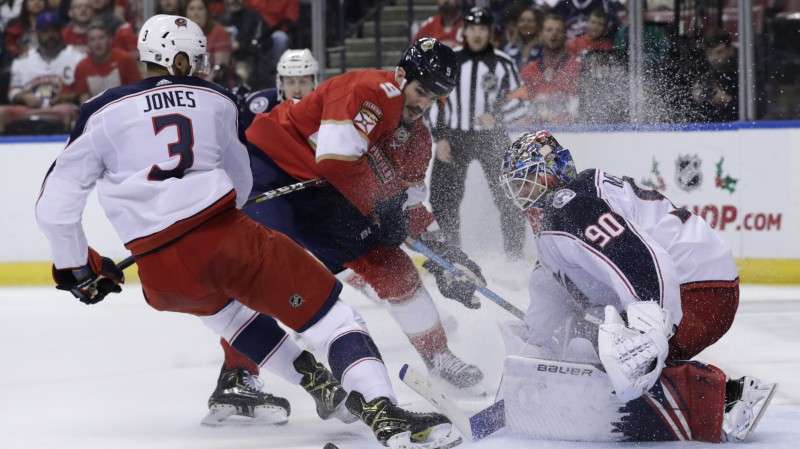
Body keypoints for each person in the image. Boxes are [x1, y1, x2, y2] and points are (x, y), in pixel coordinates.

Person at [34, 15, 461, 449]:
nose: (199, 67)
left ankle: (311, 379)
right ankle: (384, 412)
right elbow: (239, 183)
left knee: (235, 318)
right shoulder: (215, 98)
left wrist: (79, 269)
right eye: (195, 59)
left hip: (158, 275)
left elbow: (55, 208)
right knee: (333, 318)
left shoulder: (100, 109)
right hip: (222, 238)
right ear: (179, 59)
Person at [496, 130, 777, 443]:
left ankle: (724, 400)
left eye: (527, 179)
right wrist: (535, 348)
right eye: (516, 183)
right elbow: (551, 289)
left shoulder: (570, 205)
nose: (520, 191)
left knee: (626, 361)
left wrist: (648, 326)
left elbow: (640, 258)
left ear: (554, 172)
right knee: (583, 341)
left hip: (697, 289)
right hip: (692, 284)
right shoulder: (559, 218)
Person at [245, 37, 489, 394]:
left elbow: (410, 206)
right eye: (420, 90)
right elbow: (336, 161)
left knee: (395, 269)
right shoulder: (370, 90)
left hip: (328, 196)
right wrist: (386, 203)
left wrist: (448, 257)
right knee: (266, 267)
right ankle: (237, 373)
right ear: (401, 75)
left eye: (433, 98)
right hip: (273, 170)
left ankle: (439, 357)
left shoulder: (418, 140)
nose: (423, 104)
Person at [427, 7, 528, 261]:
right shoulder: (449, 60)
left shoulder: (503, 62)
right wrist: (439, 137)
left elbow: (521, 101)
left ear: (489, 32)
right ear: (465, 31)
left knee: (509, 196)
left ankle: (514, 256)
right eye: (473, 28)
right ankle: (450, 254)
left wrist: (497, 117)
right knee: (442, 198)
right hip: (453, 137)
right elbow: (431, 100)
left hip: (492, 138)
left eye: (482, 29)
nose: (477, 34)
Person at [0, 11, 85, 133]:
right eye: (46, 31)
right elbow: (13, 91)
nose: (51, 35)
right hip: (28, 108)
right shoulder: (22, 60)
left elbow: (83, 92)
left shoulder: (77, 57)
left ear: (61, 32)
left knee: (65, 112)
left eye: (54, 30)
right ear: (37, 33)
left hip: (62, 108)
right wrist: (24, 97)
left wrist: (65, 97)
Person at [519, 14, 580, 125]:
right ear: (541, 35)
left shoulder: (576, 67)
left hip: (569, 132)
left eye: (558, 30)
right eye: (549, 30)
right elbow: (520, 105)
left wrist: (567, 117)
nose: (554, 33)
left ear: (564, 35)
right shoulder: (529, 71)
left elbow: (580, 105)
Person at [73, 21, 141, 104]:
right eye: (92, 39)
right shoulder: (82, 67)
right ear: (88, 43)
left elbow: (137, 92)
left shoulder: (125, 59)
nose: (97, 43)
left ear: (110, 40)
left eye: (101, 37)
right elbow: (84, 101)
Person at [214, 0, 273, 90]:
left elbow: (265, 41)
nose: (233, 1)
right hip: (218, 60)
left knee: (241, 73)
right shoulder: (216, 19)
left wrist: (241, 45)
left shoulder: (253, 17)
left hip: (244, 59)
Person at [691, 28, 738, 123]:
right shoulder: (704, 77)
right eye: (709, 53)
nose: (714, 58)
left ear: (731, 50)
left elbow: (757, 109)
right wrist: (695, 100)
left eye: (719, 52)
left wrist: (728, 101)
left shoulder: (744, 75)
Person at [184, 0, 231, 85]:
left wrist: (200, 87)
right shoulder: (181, 35)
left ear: (207, 12)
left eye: (200, 8)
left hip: (215, 86)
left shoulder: (219, 32)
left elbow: (219, 68)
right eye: (192, 9)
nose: (196, 13)